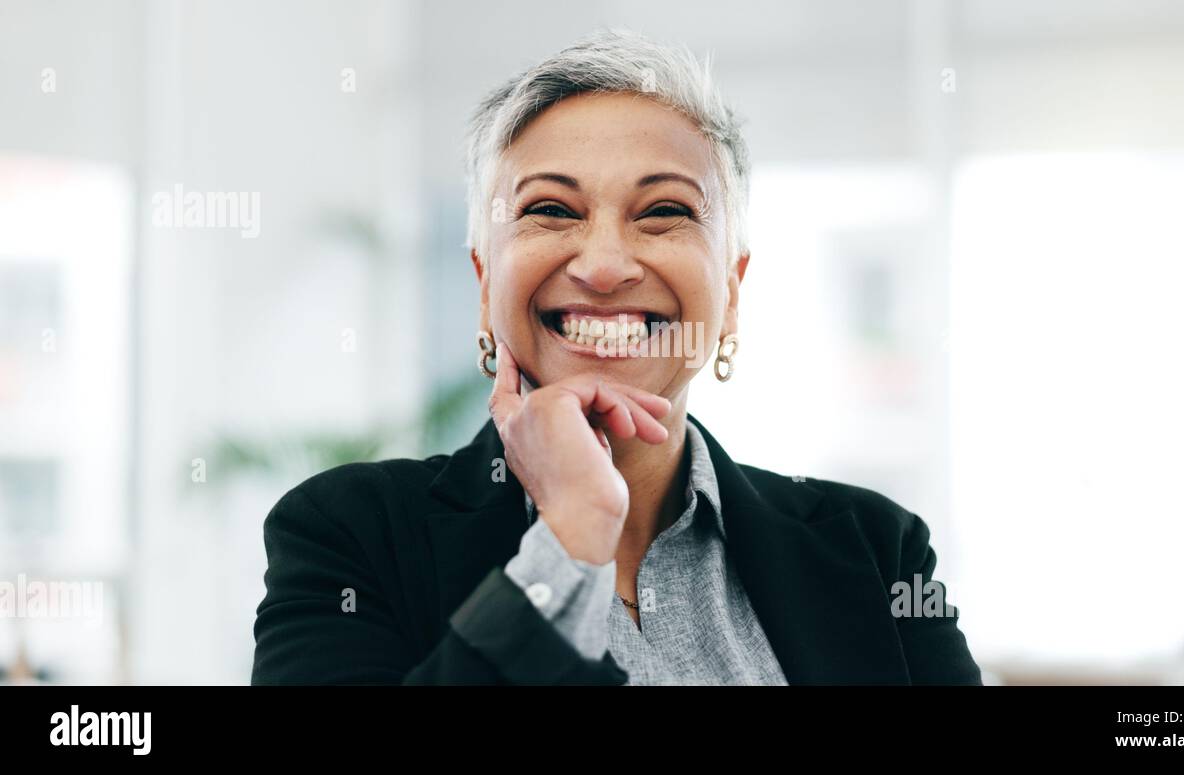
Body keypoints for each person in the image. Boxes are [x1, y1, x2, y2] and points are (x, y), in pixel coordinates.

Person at [251, 29, 981, 686]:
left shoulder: (877, 551)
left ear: (730, 290)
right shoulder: (349, 532)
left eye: (665, 210)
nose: (603, 265)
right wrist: (569, 537)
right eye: (550, 209)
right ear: (484, 285)